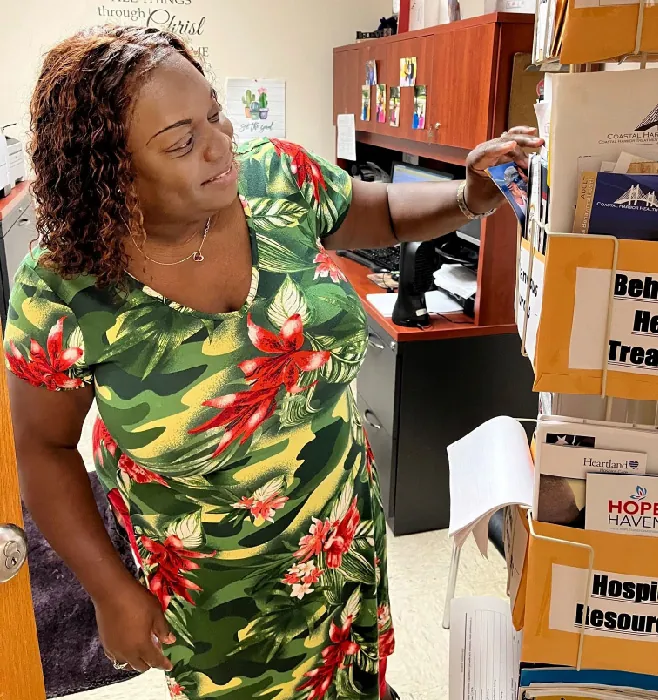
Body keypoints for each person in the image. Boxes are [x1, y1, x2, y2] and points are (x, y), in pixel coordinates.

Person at [4, 25, 541, 700]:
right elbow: (43, 448)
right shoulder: (62, 290)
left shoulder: (273, 177)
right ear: (107, 171)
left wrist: (468, 196)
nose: (221, 146)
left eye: (214, 114)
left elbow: (374, 211)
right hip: (217, 598)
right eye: (181, 141)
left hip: (342, 541)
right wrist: (109, 592)